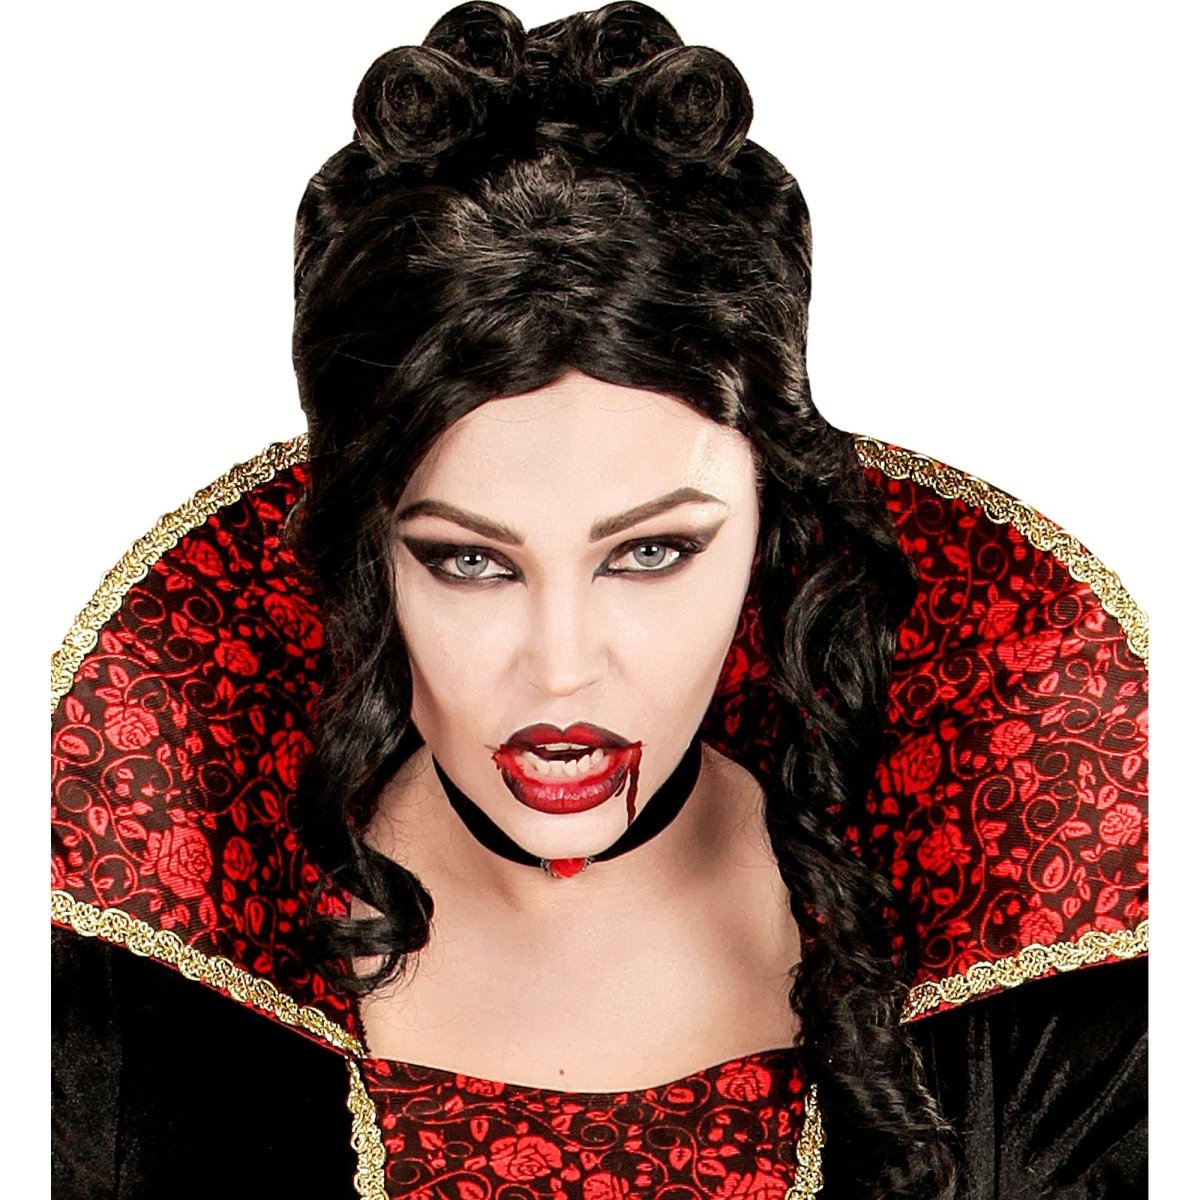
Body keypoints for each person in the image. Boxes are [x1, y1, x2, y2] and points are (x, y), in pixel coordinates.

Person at [50, 5, 1147, 1198]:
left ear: (769, 529)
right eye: (471, 562)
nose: (562, 667)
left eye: (651, 553)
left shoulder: (1038, 1008)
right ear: (371, 558)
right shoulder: (120, 1006)